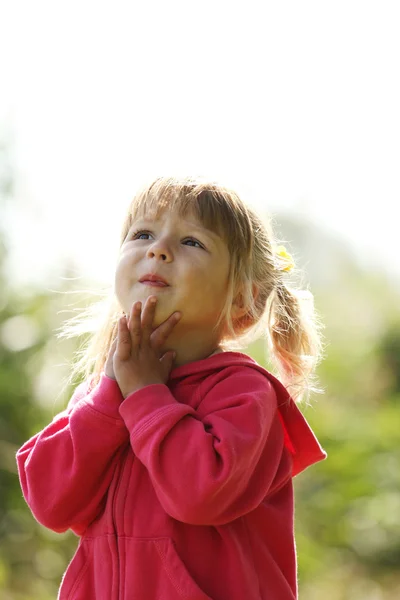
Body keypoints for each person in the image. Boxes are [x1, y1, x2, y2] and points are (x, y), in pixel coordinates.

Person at [16, 175, 327, 600]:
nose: (157, 249)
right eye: (142, 233)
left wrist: (145, 396)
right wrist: (112, 394)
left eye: (192, 242)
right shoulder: (101, 395)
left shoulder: (246, 393)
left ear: (244, 301)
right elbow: (50, 503)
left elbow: (200, 496)